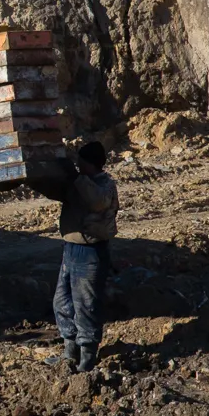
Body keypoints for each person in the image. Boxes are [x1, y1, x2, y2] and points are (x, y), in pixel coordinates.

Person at [53, 139, 119, 372]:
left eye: (82, 164)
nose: (80, 167)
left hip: (90, 252)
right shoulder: (82, 182)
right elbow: (58, 192)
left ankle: (88, 355)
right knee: (62, 302)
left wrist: (77, 177)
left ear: (92, 164)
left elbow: (98, 202)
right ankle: (70, 350)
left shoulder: (104, 185)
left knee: (86, 305)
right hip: (70, 248)